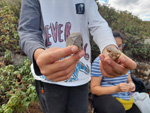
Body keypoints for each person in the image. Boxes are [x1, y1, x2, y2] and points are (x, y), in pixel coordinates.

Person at [18, 0, 136, 113]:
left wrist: (109, 48)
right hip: (49, 76)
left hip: (81, 77)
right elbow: (28, 31)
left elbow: (98, 24)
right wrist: (38, 54)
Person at [91, 31, 141, 113]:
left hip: (125, 97)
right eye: (115, 47)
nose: (118, 50)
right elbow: (94, 89)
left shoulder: (124, 60)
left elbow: (129, 80)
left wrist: (131, 84)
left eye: (120, 46)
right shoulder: (100, 61)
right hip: (106, 96)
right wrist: (116, 89)